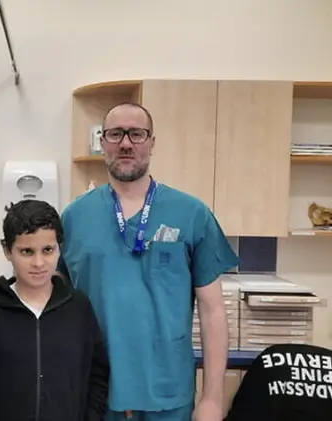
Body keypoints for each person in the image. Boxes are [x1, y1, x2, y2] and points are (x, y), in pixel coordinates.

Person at [58, 102, 239, 421]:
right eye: (115, 134)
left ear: (152, 142)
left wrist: (212, 399)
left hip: (167, 394)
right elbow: (55, 309)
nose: (126, 143)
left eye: (137, 134)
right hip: (94, 394)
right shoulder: (73, 219)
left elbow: (213, 311)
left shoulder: (191, 214)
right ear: (103, 142)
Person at [0, 199, 110, 421]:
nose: (39, 263)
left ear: (60, 248)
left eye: (47, 250)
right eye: (26, 251)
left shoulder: (79, 307)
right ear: (8, 251)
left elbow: (97, 375)